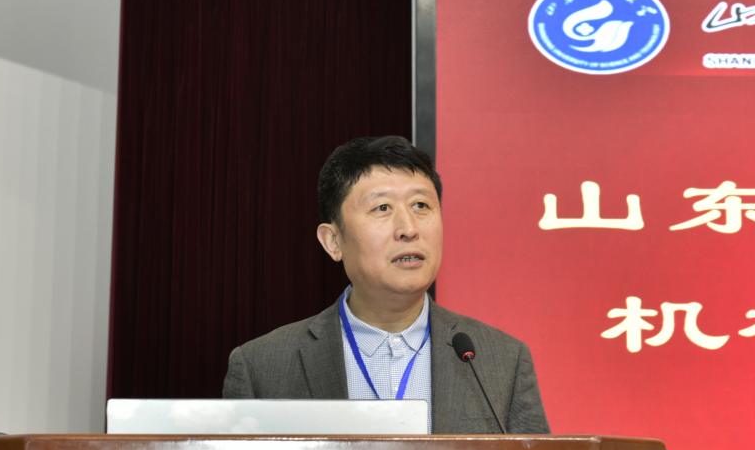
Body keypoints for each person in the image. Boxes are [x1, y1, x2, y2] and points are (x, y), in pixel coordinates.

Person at [222, 136, 549, 434]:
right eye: (382, 208)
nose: (409, 228)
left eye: (421, 205)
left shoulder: (501, 360)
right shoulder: (263, 367)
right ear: (333, 241)